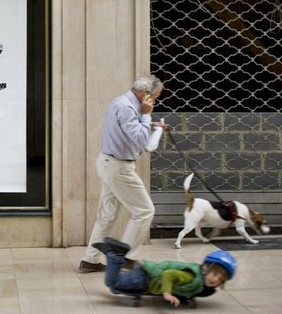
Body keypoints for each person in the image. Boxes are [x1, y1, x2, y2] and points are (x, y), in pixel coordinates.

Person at [79, 75, 168, 273]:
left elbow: (126, 129)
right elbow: (140, 140)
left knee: (107, 216)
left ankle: (90, 260)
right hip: (119, 168)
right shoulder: (128, 108)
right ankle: (125, 257)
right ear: (144, 93)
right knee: (145, 211)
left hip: (109, 163)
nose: (155, 101)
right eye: (154, 96)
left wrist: (152, 124)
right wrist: (147, 116)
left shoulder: (121, 102)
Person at [93, 237, 237, 308]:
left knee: (116, 285)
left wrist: (185, 297)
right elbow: (169, 275)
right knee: (112, 284)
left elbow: (184, 288)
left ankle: (113, 254)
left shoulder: (200, 281)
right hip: (146, 280)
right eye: (215, 273)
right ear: (206, 269)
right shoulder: (192, 277)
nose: (215, 279)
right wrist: (167, 293)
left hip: (145, 275)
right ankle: (115, 256)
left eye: (220, 279)